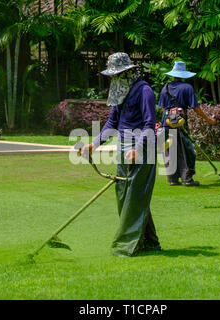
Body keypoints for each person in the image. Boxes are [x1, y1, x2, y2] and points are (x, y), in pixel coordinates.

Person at [82, 52, 161, 257]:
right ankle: (150, 242)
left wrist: (138, 150)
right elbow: (113, 123)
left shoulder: (144, 92)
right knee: (126, 196)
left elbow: (148, 125)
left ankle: (126, 246)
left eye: (115, 75)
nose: (112, 79)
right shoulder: (121, 92)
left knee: (134, 197)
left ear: (127, 72)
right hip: (124, 148)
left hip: (142, 149)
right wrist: (95, 144)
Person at [158, 61, 216, 187]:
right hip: (180, 123)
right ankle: (187, 179)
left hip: (166, 123)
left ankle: (172, 179)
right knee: (186, 149)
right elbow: (196, 108)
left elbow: (162, 108)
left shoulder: (165, 87)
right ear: (184, 75)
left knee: (169, 149)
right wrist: (208, 119)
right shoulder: (187, 88)